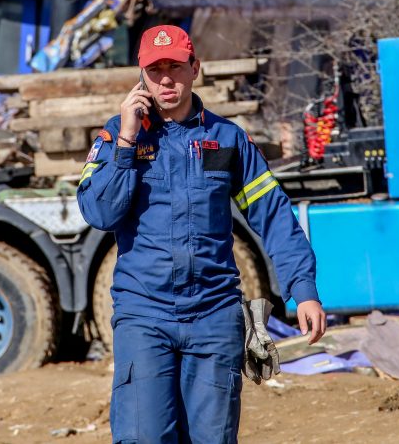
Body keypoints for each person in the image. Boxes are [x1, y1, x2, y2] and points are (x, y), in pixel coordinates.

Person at [77, 24, 325, 444]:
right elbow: (99, 212)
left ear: (196, 68)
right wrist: (125, 139)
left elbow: (273, 214)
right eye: (155, 70)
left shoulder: (226, 140)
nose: (166, 79)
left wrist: (304, 290)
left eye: (175, 66)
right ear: (141, 76)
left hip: (214, 316)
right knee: (144, 437)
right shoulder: (119, 136)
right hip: (145, 316)